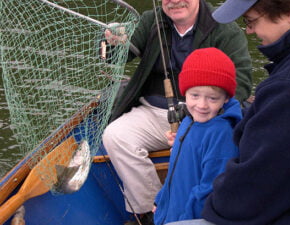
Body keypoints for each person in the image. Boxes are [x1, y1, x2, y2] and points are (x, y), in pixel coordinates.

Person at [102, 0, 252, 223]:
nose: (174, 1)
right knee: (114, 136)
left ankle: (186, 214)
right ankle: (150, 210)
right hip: (151, 111)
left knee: (197, 160)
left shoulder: (224, 27)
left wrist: (202, 111)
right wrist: (112, 42)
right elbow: (117, 58)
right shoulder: (150, 21)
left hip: (203, 116)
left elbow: (242, 80)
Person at [197, 0, 290, 224]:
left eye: (251, 20)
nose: (249, 30)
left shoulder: (289, 86)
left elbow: (252, 190)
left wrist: (214, 204)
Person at [153, 47, 242, 225]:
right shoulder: (189, 119)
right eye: (194, 95)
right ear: (184, 92)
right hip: (171, 212)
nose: (201, 105)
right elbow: (174, 170)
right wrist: (160, 200)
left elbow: (208, 190)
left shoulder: (221, 134)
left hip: (189, 218)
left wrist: (183, 220)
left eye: (212, 98)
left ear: (225, 98)